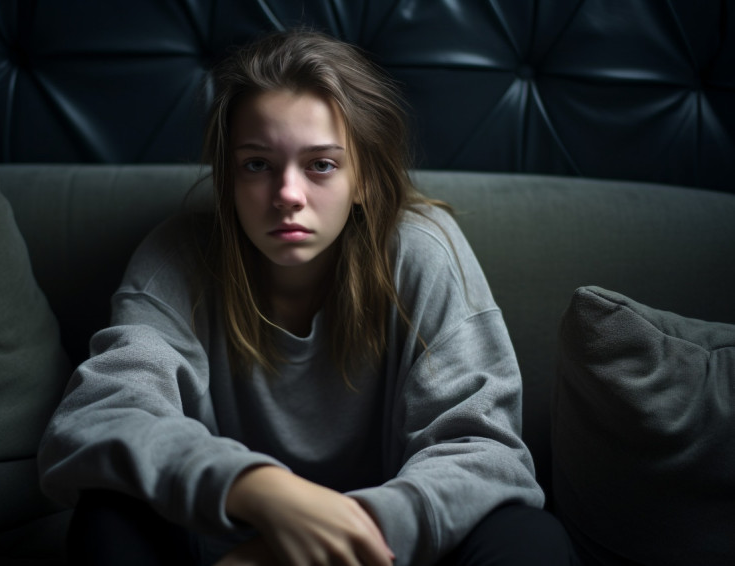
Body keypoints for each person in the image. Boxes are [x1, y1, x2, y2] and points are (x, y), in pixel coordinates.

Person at [37, 30, 577, 565]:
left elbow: (487, 453)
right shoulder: (177, 257)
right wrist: (263, 490)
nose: (287, 196)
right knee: (109, 520)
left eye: (321, 164)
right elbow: (103, 413)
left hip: (382, 552)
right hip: (218, 550)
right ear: (227, 176)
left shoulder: (421, 251)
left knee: (531, 540)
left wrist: (302, 544)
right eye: (257, 164)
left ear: (361, 176)